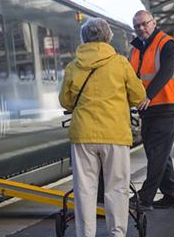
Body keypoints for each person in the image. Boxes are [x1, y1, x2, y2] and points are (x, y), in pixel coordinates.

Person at [59, 18, 145, 237]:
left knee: (84, 190)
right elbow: (138, 95)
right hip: (115, 135)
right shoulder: (120, 63)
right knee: (117, 188)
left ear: (84, 38)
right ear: (108, 37)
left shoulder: (73, 65)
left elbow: (65, 101)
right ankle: (117, 234)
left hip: (83, 136)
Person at [128, 10, 174, 211]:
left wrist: (147, 95)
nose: (141, 28)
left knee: (158, 152)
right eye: (137, 26)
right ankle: (173, 195)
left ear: (154, 22)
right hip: (149, 109)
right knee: (156, 153)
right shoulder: (136, 49)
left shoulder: (167, 44)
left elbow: (166, 71)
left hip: (168, 105)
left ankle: (145, 198)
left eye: (145, 24)